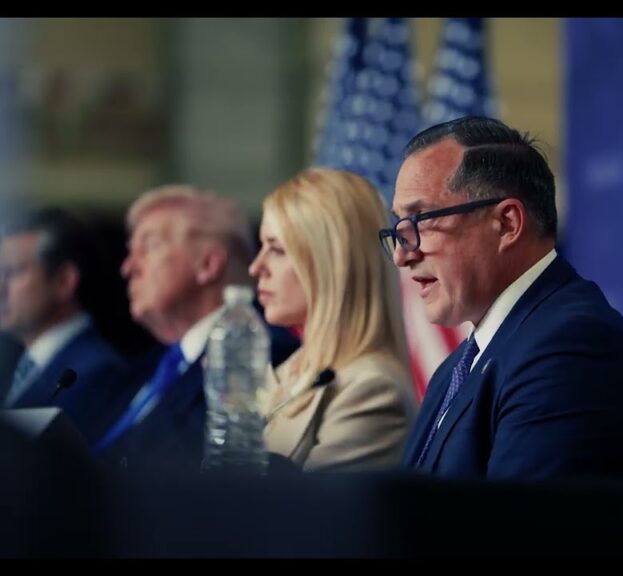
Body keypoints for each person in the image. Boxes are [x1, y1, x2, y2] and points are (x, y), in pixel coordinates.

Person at [384, 116, 623, 480]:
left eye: (421, 220)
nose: (401, 255)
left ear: (507, 224)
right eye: (399, 228)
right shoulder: (455, 369)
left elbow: (517, 516)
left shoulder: (570, 349)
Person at [94, 185, 298, 472]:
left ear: (208, 264)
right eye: (130, 251)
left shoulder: (264, 354)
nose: (128, 267)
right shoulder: (143, 368)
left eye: (149, 247)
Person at [252, 167, 417, 472]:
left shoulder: (372, 389)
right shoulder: (291, 370)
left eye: (276, 249)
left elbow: (308, 504)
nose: (256, 267)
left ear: (329, 263)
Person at [0, 207, 128, 443]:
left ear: (64, 281)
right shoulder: (12, 364)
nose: (1, 288)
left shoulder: (98, 372)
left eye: (14, 272)